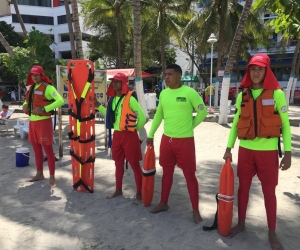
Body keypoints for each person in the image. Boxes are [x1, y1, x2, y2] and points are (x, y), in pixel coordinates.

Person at [223, 54, 291, 250]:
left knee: (269, 193)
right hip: (246, 151)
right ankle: (242, 224)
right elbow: (236, 123)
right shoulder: (242, 94)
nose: (256, 72)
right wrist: (229, 148)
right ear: (248, 71)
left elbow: (285, 125)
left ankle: (271, 233)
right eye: (252, 69)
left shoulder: (277, 94)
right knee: (243, 188)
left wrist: (288, 152)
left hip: (268, 153)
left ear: (266, 71)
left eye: (260, 69)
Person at [146, 64, 208, 223]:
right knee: (167, 173)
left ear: (179, 76)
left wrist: (190, 126)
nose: (166, 77)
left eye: (170, 74)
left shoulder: (190, 92)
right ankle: (163, 203)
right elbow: (159, 115)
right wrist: (151, 134)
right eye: (165, 74)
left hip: (185, 141)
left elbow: (202, 112)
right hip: (167, 141)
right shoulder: (164, 94)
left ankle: (195, 210)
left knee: (189, 175)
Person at [94, 73, 146, 200]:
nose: (114, 83)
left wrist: (134, 129)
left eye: (117, 81)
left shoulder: (130, 98)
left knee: (134, 164)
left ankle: (139, 192)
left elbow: (143, 118)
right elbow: (109, 115)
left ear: (123, 83)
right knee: (118, 164)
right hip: (117, 135)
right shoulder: (112, 99)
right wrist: (98, 106)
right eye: (113, 81)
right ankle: (118, 190)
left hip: (129, 135)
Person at [23, 65, 64, 188]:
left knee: (48, 151)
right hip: (33, 122)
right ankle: (39, 174)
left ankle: (52, 177)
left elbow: (60, 101)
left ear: (42, 75)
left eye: (37, 74)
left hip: (44, 121)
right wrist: (24, 105)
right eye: (33, 75)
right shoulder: (31, 88)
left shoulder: (48, 87)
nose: (34, 77)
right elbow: (27, 101)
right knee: (36, 150)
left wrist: (44, 108)